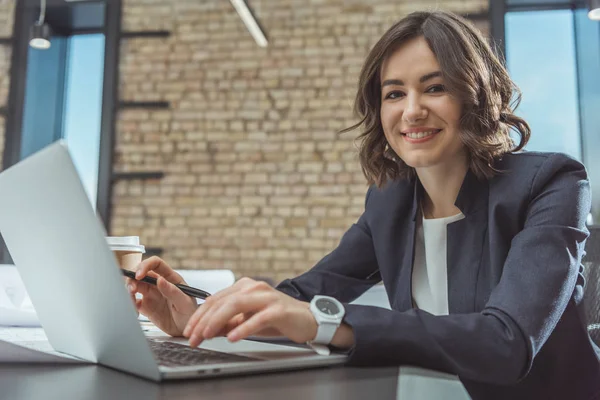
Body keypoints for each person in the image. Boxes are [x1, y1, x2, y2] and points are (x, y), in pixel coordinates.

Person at [125, 10, 600, 400]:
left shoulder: (551, 184)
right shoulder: (390, 202)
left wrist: (325, 322)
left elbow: (507, 343)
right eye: (394, 93)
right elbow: (303, 296)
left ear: (474, 95)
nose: (411, 110)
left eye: (434, 88)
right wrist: (201, 317)